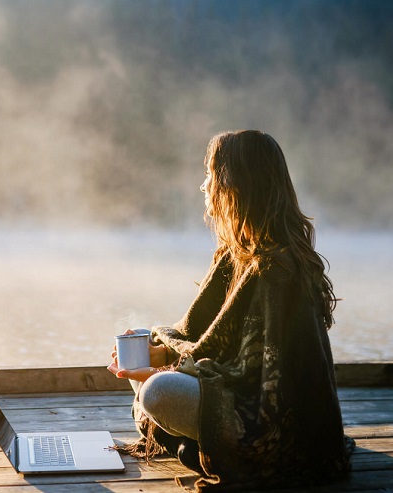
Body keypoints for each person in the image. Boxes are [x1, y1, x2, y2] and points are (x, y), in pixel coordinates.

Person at [107, 130, 353, 491]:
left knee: (158, 393)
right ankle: (190, 442)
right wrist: (157, 354)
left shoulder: (276, 270)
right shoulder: (234, 253)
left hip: (274, 425)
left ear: (235, 185)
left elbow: (258, 376)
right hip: (228, 382)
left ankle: (191, 444)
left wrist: (162, 371)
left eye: (210, 175)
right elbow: (206, 343)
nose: (204, 186)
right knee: (142, 346)